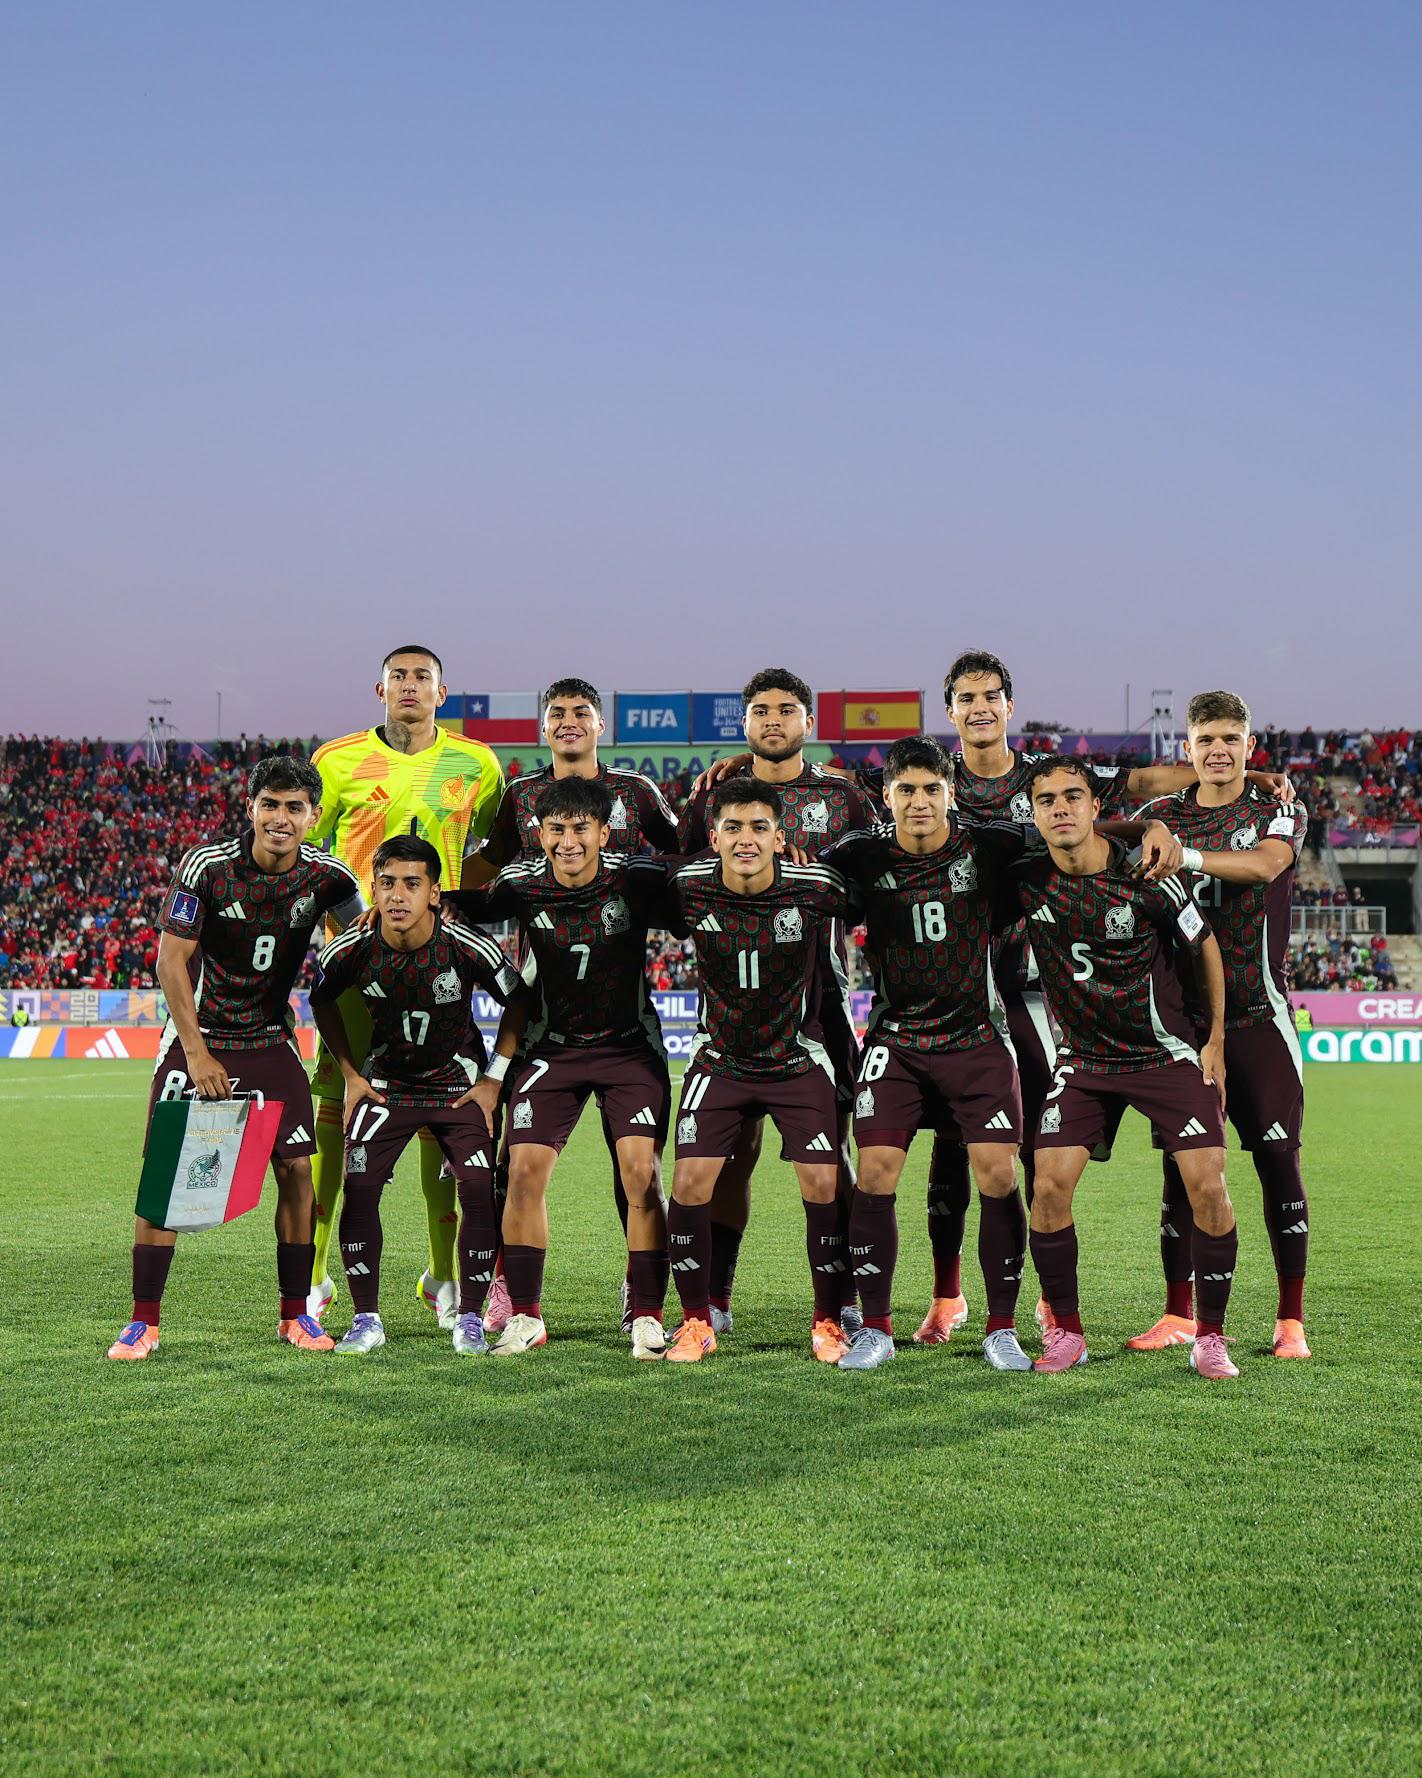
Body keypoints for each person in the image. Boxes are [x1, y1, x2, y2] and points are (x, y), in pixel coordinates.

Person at [106, 756, 364, 1360]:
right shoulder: (208, 867)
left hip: (272, 1041)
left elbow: (363, 946)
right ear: (250, 808)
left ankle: (295, 1315)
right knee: (165, 1175)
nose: (280, 818)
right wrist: (196, 1053)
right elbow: (171, 962)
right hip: (201, 1037)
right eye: (269, 804)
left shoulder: (330, 879)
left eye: (294, 807)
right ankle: (144, 1321)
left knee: (299, 1173)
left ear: (313, 816)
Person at [1008, 758, 1242, 1380]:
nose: (1060, 808)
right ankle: (1066, 1332)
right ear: (1034, 814)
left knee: (1208, 1189)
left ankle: (1211, 1336)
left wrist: (1214, 1038)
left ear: (1093, 807)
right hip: (1083, 1063)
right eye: (1047, 800)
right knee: (1049, 1187)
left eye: (1073, 797)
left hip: (1163, 1055)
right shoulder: (1026, 880)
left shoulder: (1148, 876)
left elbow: (1206, 947)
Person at [466, 677, 679, 1334]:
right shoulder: (520, 797)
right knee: (515, 1160)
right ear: (542, 728)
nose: (568, 723)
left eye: (580, 713)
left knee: (636, 1167)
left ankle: (639, 1295)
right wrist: (421, 885)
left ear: (600, 725)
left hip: (621, 1001)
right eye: (556, 714)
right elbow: (488, 869)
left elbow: (683, 856)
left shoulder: (637, 794)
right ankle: (509, 1288)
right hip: (547, 1003)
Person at [304, 645, 505, 1329]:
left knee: (440, 1111)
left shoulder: (477, 764)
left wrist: (450, 909)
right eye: (399, 678)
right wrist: (340, 919)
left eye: (422, 678)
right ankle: (316, 1275)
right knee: (338, 1110)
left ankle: (443, 1278)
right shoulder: (335, 761)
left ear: (442, 692)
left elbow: (498, 850)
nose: (410, 687)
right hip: (358, 966)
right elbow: (306, 844)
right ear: (379, 689)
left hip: (439, 968)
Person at [823, 736, 1033, 1371]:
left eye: (932, 790)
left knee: (999, 1175)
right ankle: (877, 1327)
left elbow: (1071, 830)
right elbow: (796, 874)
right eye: (907, 790)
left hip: (977, 1039)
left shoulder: (991, 847)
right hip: (897, 1041)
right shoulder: (860, 855)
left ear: (950, 795)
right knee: (877, 1174)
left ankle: (1001, 1328)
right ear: (886, 797)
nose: (920, 801)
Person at [677, 668, 876, 1336]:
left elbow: (883, 866)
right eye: (760, 711)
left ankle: (841, 1295)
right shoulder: (714, 795)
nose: (772, 721)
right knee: (734, 1155)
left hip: (819, 994)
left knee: (830, 1153)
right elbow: (685, 878)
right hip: (737, 998)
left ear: (807, 722)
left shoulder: (843, 796)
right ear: (745, 723)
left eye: (786, 710)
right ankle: (719, 1294)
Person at [1131, 691, 1312, 1358]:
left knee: (1276, 1161)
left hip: (1259, 1020)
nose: (1218, 750)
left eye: (1231, 739)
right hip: (1181, 1030)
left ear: (1249, 746)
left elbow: (1266, 865)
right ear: (1188, 748)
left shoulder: (1277, 811)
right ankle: (1178, 1314)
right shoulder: (1161, 815)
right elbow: (1108, 828)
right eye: (1206, 738)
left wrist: (1188, 858)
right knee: (1184, 1170)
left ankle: (1290, 1320)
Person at [308, 836, 530, 1355]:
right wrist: (349, 1075)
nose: (398, 896)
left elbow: (519, 1001)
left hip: (457, 1088)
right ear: (373, 889)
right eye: (386, 884)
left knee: (478, 1189)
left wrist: (494, 1078)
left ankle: (469, 1318)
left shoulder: (466, 944)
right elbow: (320, 1001)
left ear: (434, 892)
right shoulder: (351, 947)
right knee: (358, 1186)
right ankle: (366, 1319)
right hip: (386, 1087)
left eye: (412, 884)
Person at [660, 779, 849, 1363]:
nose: (747, 840)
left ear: (780, 837)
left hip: (795, 1059)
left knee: (823, 1182)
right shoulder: (687, 887)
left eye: (760, 828)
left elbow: (878, 903)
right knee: (689, 1184)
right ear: (713, 837)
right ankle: (696, 1321)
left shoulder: (815, 888)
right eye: (734, 828)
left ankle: (828, 1320)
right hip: (719, 1059)